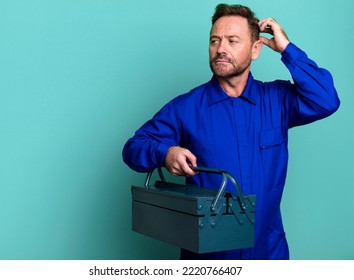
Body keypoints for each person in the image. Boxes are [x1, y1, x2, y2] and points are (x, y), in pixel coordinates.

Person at [122, 3, 340, 260]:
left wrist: (286, 49)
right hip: (208, 258)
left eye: (232, 41)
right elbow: (133, 147)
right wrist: (165, 153)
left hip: (269, 255)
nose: (221, 49)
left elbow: (326, 99)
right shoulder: (186, 107)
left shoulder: (278, 100)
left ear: (255, 49)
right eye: (215, 40)